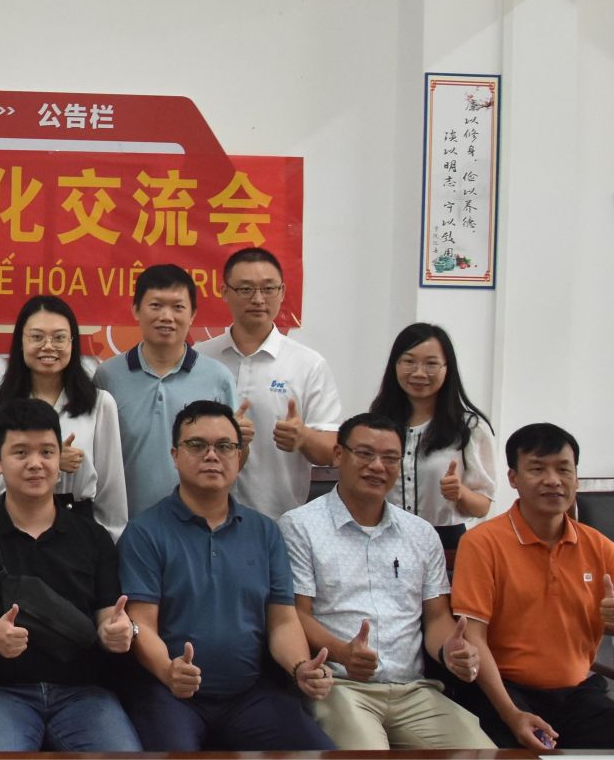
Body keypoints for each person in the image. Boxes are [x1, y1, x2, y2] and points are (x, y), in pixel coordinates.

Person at [119, 400, 335, 751]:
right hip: (169, 692)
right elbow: (141, 624)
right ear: (175, 455)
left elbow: (283, 621)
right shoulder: (145, 531)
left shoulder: (265, 531)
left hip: (249, 695)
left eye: (224, 446)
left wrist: (300, 667)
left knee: (322, 753)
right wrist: (169, 671)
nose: (211, 455)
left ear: (238, 456)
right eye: (196, 445)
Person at [277, 412, 492, 749]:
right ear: (338, 455)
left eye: (390, 458)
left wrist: (450, 651)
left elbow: (436, 617)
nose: (377, 466)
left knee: (484, 753)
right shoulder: (300, 526)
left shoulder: (421, 533)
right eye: (365, 454)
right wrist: (343, 653)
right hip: (340, 686)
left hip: (413, 689)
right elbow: (296, 614)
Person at [0, 399, 141, 752]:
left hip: (84, 693)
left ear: (59, 459)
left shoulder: (92, 536)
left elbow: (107, 616)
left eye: (47, 452)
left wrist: (117, 632)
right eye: (20, 453)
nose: (35, 463)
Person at [451, 423, 614, 750]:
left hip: (577, 693)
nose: (553, 480)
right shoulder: (482, 543)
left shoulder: (600, 547)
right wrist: (512, 713)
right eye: (537, 469)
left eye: (564, 469)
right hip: (503, 691)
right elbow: (473, 637)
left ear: (576, 478)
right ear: (513, 478)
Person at [94, 264, 245, 519]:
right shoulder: (107, 376)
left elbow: (232, 458)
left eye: (178, 307)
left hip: (197, 524)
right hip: (123, 522)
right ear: (136, 310)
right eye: (155, 305)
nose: (166, 316)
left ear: (193, 314)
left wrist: (244, 441)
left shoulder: (217, 378)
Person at [201, 248, 341, 518]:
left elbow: (332, 452)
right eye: (245, 289)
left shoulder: (308, 364)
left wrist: (304, 437)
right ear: (224, 292)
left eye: (268, 289)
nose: (258, 299)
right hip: (203, 519)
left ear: (282, 292)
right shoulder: (201, 358)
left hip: (280, 521)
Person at [0, 295, 129, 538]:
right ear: (21, 342)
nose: (48, 346)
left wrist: (110, 544)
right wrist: (53, 462)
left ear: (72, 343)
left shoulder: (100, 404)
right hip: (14, 528)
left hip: (80, 528)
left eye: (59, 338)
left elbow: (110, 492)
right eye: (37, 337)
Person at [367, 323, 503, 546]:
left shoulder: (470, 427)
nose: (419, 373)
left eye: (431, 364)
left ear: (447, 368)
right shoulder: (376, 424)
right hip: (383, 538)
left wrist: (460, 493)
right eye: (409, 362)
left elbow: (482, 507)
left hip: (444, 542)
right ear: (395, 365)